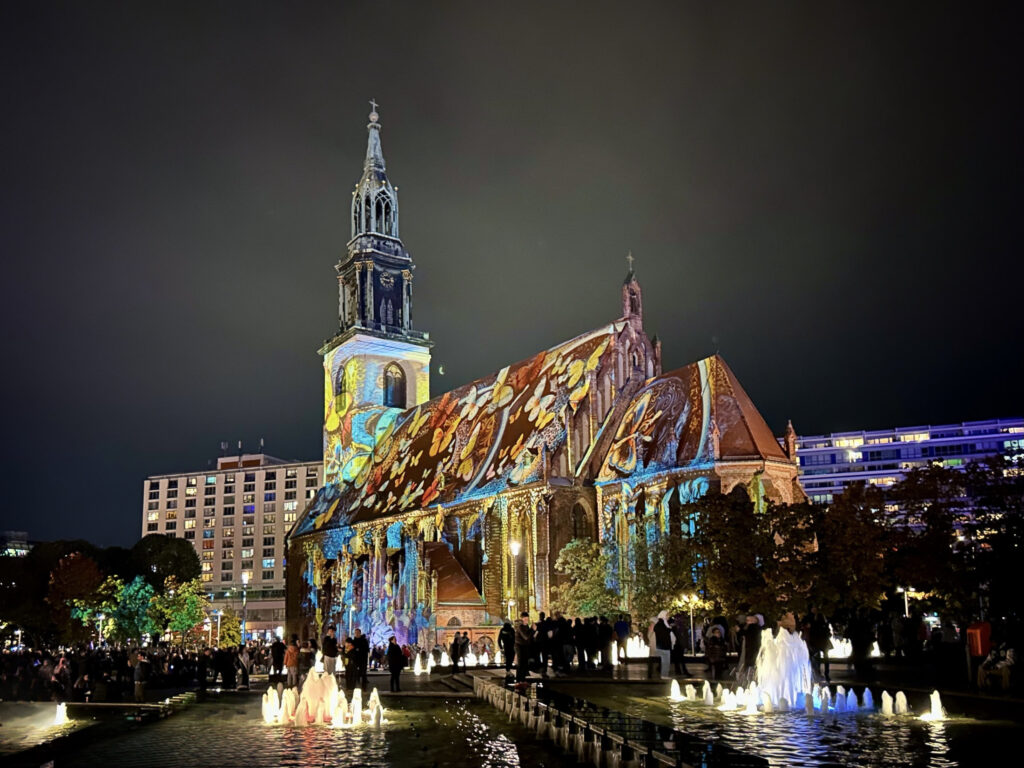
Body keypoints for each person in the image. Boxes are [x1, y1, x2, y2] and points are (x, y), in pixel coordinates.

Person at [652, 611, 673, 679]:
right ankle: (664, 675)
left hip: (660, 646)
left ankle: (664, 675)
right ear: (663, 616)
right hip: (664, 646)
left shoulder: (659, 624)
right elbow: (665, 633)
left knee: (664, 662)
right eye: (667, 615)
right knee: (666, 662)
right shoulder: (663, 624)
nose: (668, 617)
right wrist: (669, 629)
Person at [514, 612, 535, 683]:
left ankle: (522, 679)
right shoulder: (520, 627)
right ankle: (519, 680)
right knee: (520, 663)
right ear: (522, 619)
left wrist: (532, 630)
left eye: (527, 619)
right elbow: (526, 637)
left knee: (524, 663)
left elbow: (529, 636)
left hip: (524, 646)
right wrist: (532, 629)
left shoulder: (526, 626)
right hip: (519, 646)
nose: (526, 620)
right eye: (525, 619)